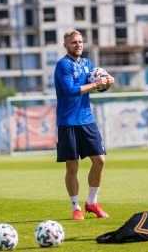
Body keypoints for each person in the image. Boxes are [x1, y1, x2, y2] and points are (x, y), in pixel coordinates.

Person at [54, 29, 115, 220]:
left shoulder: (88, 64)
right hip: (67, 123)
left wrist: (108, 81)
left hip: (87, 120)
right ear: (66, 45)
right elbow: (71, 91)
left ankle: (92, 203)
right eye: (74, 42)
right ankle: (76, 208)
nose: (78, 45)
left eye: (80, 42)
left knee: (100, 160)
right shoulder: (62, 65)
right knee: (72, 168)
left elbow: (99, 80)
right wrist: (96, 85)